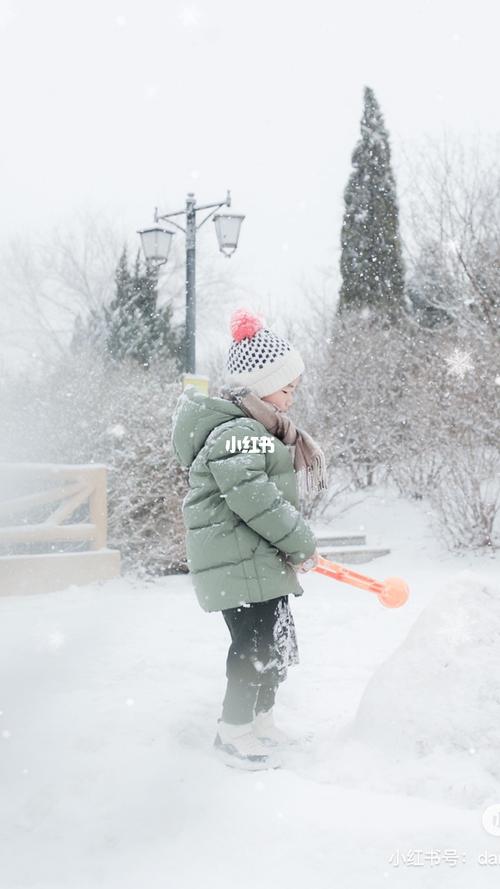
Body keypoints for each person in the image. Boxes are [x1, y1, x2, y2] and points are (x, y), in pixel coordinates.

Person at [171, 308, 327, 770]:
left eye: (294, 388)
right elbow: (256, 501)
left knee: (274, 643)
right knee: (253, 647)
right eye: (285, 388)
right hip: (237, 564)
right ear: (258, 387)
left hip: (257, 562)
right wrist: (300, 542)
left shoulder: (259, 432)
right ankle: (233, 730)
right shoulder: (238, 435)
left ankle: (261, 721)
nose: (291, 398)